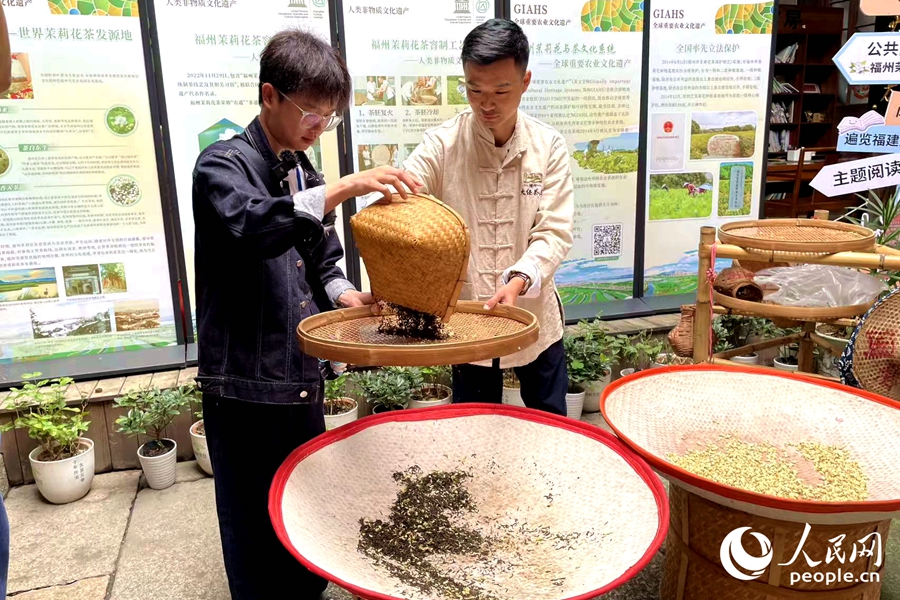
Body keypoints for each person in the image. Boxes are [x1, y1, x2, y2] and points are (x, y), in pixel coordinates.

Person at [191, 29, 420, 600]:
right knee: (252, 522)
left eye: (329, 118)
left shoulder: (301, 169)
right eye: (313, 114)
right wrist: (343, 189)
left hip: (298, 374)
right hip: (243, 382)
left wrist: (350, 298)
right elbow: (255, 226)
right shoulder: (220, 165)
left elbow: (324, 261)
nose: (319, 128)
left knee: (306, 506)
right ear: (270, 96)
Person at [401, 19, 574, 415]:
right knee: (473, 422)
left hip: (533, 311)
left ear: (525, 81)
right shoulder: (442, 144)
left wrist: (519, 279)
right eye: (474, 90)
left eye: (501, 90)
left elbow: (554, 231)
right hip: (467, 315)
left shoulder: (548, 146)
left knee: (549, 414)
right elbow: (408, 193)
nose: (486, 104)